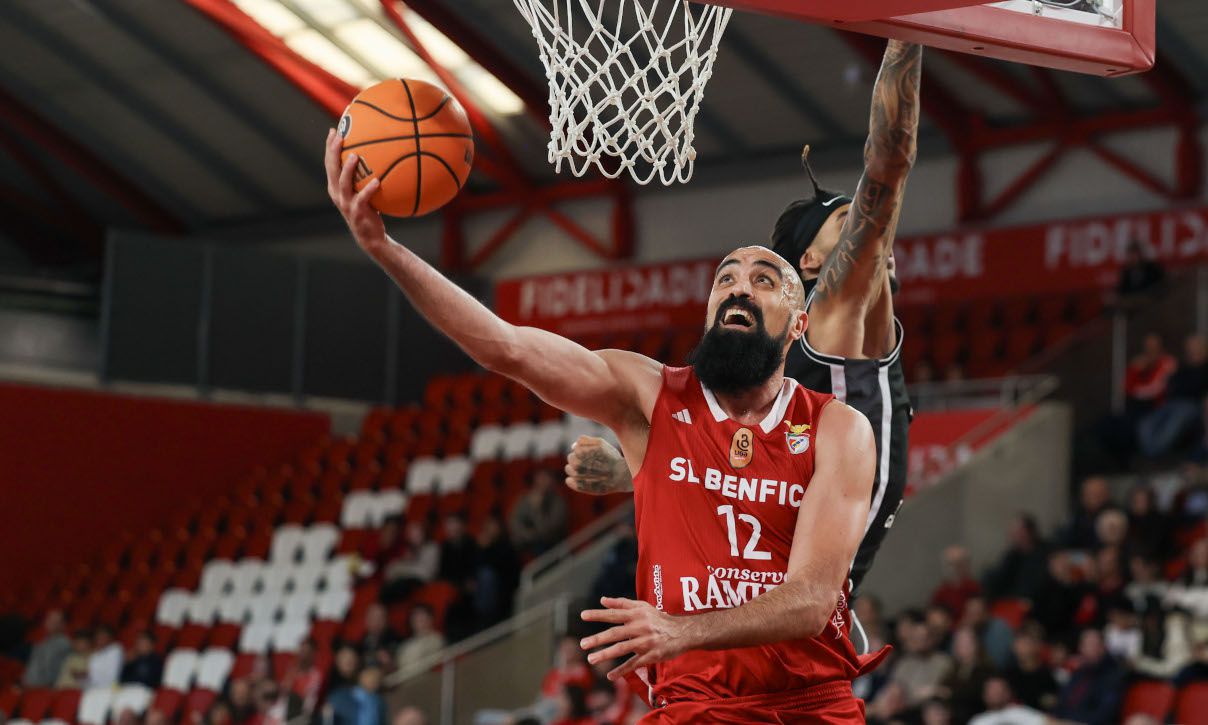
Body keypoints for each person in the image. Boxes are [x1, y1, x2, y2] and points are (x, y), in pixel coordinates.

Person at [328, 134, 883, 720]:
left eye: (765, 280)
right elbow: (506, 347)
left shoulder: (838, 429)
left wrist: (679, 630)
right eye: (726, 278)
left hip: (809, 703)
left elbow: (812, 602)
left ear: (797, 325)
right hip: (693, 704)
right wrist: (384, 248)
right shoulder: (648, 395)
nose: (740, 287)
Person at [564, 41, 923, 640]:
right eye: (848, 221)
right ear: (811, 259)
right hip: (782, 615)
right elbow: (889, 160)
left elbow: (753, 466)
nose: (871, 228)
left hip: (789, 606)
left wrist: (637, 471)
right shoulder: (835, 315)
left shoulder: (792, 369)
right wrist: (906, 33)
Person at [1138, 334, 1208, 458]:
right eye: (1190, 348)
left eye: (1196, 348)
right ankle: (1149, 453)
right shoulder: (1180, 367)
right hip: (1171, 404)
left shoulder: (1205, 368)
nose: (1192, 351)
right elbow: (1168, 385)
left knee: (1173, 424)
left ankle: (1154, 455)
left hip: (1192, 406)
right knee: (1146, 424)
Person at [1053, 629, 1125, 725]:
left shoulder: (1114, 677)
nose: (1084, 649)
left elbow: (1103, 715)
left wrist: (1068, 720)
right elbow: (1063, 698)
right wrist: (1054, 715)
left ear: (1103, 647)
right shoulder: (1082, 669)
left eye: (1090, 645)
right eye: (1083, 644)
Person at [982, 513, 1049, 601]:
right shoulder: (1012, 555)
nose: (1011, 534)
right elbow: (1000, 578)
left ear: (1026, 532)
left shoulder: (1047, 553)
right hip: (1013, 601)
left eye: (1015, 531)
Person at [508, 469, 569, 560]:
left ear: (551, 481)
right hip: (525, 539)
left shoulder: (558, 502)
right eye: (539, 478)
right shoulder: (524, 498)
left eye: (545, 479)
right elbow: (514, 521)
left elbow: (548, 530)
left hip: (547, 541)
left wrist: (537, 509)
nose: (542, 482)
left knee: (540, 547)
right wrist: (526, 534)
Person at [1002, 623, 1057, 712]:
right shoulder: (1007, 674)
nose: (1020, 647)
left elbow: (1050, 704)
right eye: (1018, 642)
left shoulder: (1048, 675)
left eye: (1025, 643)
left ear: (1037, 646)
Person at [394, 605, 445, 680]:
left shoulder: (437, 639)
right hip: (406, 684)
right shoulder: (405, 645)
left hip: (427, 681)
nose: (419, 620)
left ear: (430, 619)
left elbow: (434, 664)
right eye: (416, 618)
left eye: (422, 617)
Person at [930, 546, 981, 621]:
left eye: (959, 564)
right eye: (951, 564)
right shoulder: (940, 593)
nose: (955, 568)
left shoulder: (975, 588)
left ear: (967, 565)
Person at [968, 677, 1047, 725]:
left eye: (999, 689)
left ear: (1009, 693)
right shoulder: (978, 720)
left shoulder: (1020, 712)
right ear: (984, 695)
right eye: (992, 690)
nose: (996, 693)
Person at [22, 609, 70, 687]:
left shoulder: (63, 644)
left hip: (43, 688)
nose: (49, 623)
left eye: (54, 621)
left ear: (62, 624)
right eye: (49, 619)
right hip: (30, 687)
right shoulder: (42, 642)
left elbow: (53, 670)